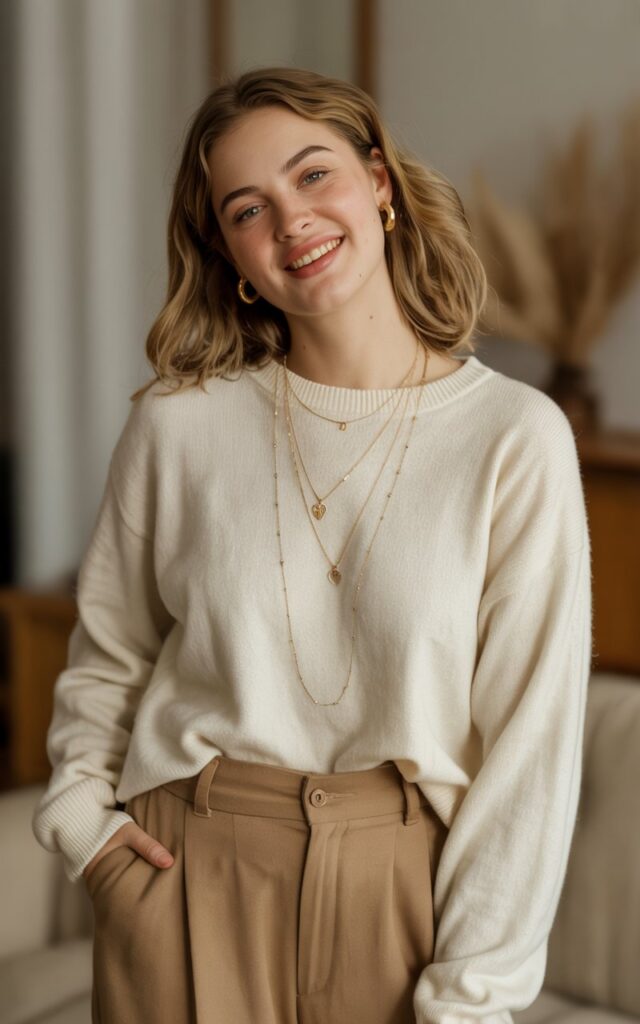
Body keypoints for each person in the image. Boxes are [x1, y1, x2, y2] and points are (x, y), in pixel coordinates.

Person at [31, 66, 592, 1024]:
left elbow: (529, 749)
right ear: (230, 255)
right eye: (248, 208)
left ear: (378, 182)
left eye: (313, 174)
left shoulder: (513, 438)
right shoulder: (178, 425)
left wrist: (473, 997)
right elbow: (110, 652)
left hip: (398, 900)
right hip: (183, 875)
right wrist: (85, 823)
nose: (291, 220)